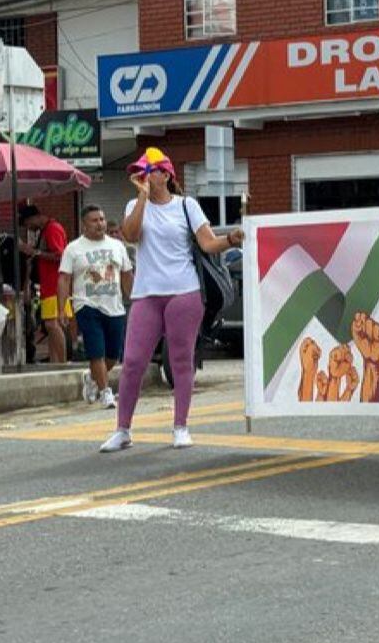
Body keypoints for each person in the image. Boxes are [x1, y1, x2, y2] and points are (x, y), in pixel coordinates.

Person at [99, 148, 244, 452]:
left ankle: (181, 426)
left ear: (165, 174)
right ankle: (123, 429)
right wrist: (141, 197)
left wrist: (230, 239)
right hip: (146, 294)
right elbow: (131, 234)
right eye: (139, 172)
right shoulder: (132, 204)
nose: (142, 176)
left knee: (180, 360)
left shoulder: (186, 206)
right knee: (134, 362)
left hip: (184, 291)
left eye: (148, 171)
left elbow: (208, 242)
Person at [58, 205, 134, 409]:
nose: (100, 224)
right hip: (86, 305)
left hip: (114, 306)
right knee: (96, 351)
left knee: (113, 356)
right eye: (94, 220)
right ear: (84, 224)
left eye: (102, 219)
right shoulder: (73, 249)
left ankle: (92, 379)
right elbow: (64, 279)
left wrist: (136, 298)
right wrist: (62, 308)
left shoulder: (117, 246)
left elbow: (126, 274)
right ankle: (106, 392)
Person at [18, 204, 69, 364]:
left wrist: (34, 252)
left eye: (27, 225)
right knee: (50, 325)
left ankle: (62, 362)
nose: (28, 229)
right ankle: (55, 361)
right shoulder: (46, 230)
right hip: (49, 285)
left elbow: (60, 255)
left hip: (55, 284)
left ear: (32, 218)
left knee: (52, 324)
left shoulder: (52, 229)